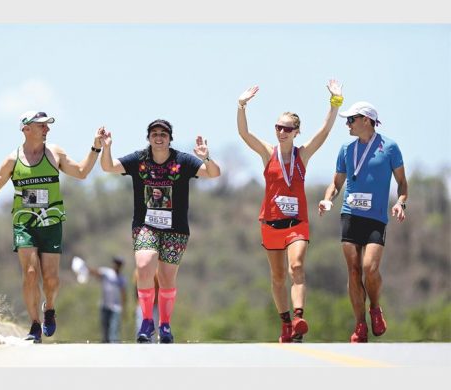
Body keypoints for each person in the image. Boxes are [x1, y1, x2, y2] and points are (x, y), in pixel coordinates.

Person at [0, 111, 103, 343]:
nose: (47, 129)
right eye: (41, 126)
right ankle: (34, 325)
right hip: (25, 223)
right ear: (26, 129)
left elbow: (81, 172)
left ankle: (49, 308)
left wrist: (95, 147)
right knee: (30, 274)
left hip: (51, 222)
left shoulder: (54, 153)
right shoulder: (13, 160)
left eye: (47, 126)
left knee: (51, 279)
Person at [237, 80, 343, 343]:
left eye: (287, 128)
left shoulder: (302, 156)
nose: (281, 132)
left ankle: (298, 317)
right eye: (278, 127)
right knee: (277, 276)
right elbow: (244, 134)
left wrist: (335, 102)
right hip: (271, 224)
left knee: (297, 267)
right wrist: (241, 106)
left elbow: (324, 132)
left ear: (296, 132)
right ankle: (285, 323)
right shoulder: (267, 153)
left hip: (297, 224)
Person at [99, 119, 221, 343]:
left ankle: (165, 325)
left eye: (163, 134)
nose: (158, 137)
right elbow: (107, 167)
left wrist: (206, 157)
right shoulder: (139, 160)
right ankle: (147, 321)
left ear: (169, 138)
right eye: (154, 133)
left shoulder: (182, 160)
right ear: (148, 138)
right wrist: (106, 147)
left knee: (166, 278)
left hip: (176, 229)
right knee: (144, 265)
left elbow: (213, 173)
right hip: (146, 226)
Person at [318, 101, 408, 343]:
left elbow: (402, 183)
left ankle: (375, 308)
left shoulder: (390, 147)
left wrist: (401, 202)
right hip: (350, 215)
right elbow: (336, 183)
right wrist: (328, 200)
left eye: (351, 120)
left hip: (376, 218)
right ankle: (360, 326)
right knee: (354, 270)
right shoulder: (346, 149)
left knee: (370, 268)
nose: (347, 124)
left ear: (366, 120)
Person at [87, 256, 128, 343]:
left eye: (119, 264)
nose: (117, 266)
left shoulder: (122, 278)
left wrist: (124, 309)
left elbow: (123, 294)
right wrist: (86, 268)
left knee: (114, 328)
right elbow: (96, 273)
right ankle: (105, 346)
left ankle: (115, 346)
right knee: (104, 328)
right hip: (105, 305)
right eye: (116, 264)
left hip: (116, 307)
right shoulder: (107, 273)